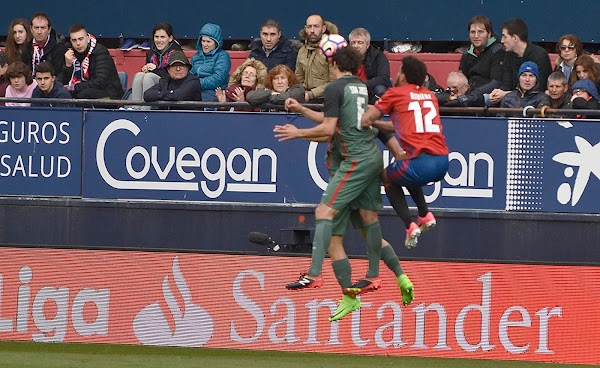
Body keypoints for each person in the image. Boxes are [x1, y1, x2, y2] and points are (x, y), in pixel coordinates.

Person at [274, 46, 388, 322]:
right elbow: (332, 124)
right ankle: (356, 291)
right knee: (347, 234)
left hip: (352, 164)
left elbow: (327, 131)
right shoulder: (360, 87)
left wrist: (296, 132)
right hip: (365, 162)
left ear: (334, 65)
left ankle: (315, 274)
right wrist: (302, 109)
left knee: (323, 214)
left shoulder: (336, 88)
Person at [361, 56, 449, 250]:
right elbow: (398, 125)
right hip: (443, 161)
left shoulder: (395, 93)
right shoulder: (430, 95)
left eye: (399, 70)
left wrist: (361, 111)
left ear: (403, 75)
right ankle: (425, 214)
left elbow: (366, 120)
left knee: (387, 176)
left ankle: (409, 225)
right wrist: (378, 122)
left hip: (422, 163)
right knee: (405, 168)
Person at [489, 19, 552, 105]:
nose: (502, 41)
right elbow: (506, 85)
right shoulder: (508, 55)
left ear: (515, 38)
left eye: (505, 36)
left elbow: (539, 88)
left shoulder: (540, 55)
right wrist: (498, 93)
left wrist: (506, 95)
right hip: (511, 101)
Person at [62, 24, 124, 99]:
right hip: (84, 90)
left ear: (88, 39)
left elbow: (100, 82)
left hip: (110, 95)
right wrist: (68, 66)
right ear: (71, 41)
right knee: (63, 93)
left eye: (81, 39)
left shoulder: (100, 51)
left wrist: (74, 87)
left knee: (81, 95)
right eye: (74, 40)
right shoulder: (70, 54)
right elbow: (63, 82)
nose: (78, 43)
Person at [130, 22, 182, 105]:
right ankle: (134, 107)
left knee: (149, 77)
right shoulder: (150, 52)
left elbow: (174, 78)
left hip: (170, 86)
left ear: (170, 38)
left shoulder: (176, 54)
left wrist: (155, 70)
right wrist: (146, 69)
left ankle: (146, 109)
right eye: (156, 37)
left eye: (162, 37)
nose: (159, 40)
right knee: (139, 75)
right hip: (155, 82)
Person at [295, 14, 336, 103]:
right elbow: (298, 77)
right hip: (305, 97)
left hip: (326, 99)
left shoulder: (331, 49)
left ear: (323, 28)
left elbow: (335, 83)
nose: (312, 30)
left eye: (316, 26)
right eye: (309, 27)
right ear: (306, 29)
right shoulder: (302, 51)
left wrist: (311, 94)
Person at [459, 15, 505, 93]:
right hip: (469, 93)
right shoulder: (467, 53)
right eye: (473, 32)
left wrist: (474, 94)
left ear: (489, 34)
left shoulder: (498, 51)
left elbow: (495, 83)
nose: (476, 36)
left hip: (488, 95)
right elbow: (461, 79)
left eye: (480, 32)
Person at [189, 23, 231, 102]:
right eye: (203, 41)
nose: (205, 44)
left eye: (208, 41)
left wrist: (196, 84)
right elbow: (189, 75)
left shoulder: (223, 56)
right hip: (195, 90)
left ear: (216, 43)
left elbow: (218, 79)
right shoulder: (196, 57)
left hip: (214, 92)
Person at [349, 27, 391, 104]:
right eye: (353, 42)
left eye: (360, 42)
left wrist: (362, 85)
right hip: (352, 92)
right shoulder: (345, 57)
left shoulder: (378, 56)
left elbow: (384, 78)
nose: (356, 46)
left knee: (380, 89)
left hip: (371, 94)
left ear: (367, 45)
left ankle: (375, 114)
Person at [21, 13, 67, 82]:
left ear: (49, 30)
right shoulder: (26, 47)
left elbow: (59, 75)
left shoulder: (59, 48)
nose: (39, 32)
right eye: (36, 28)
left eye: (43, 28)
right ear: (31, 29)